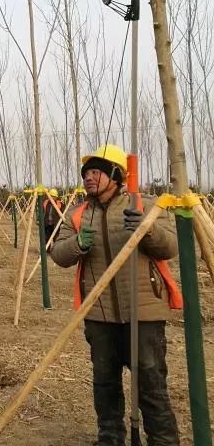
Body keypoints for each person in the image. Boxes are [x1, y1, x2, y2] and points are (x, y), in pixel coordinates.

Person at [50, 144, 181, 445]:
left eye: (96, 172)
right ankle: (110, 438)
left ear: (116, 174)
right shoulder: (78, 215)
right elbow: (58, 253)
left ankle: (163, 440)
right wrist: (78, 245)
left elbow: (170, 247)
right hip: (98, 315)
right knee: (105, 384)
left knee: (151, 386)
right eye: (86, 173)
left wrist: (147, 230)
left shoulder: (145, 206)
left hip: (144, 313)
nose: (89, 178)